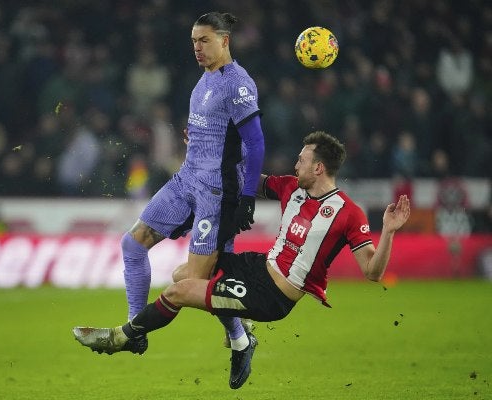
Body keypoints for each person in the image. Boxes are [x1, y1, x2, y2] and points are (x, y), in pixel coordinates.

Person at [73, 131, 411, 389]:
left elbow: (372, 272)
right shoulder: (290, 187)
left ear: (319, 167)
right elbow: (239, 177)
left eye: (302, 160)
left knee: (179, 292)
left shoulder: (348, 213)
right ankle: (240, 338)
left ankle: (121, 337)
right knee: (183, 274)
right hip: (258, 267)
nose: (295, 165)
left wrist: (390, 232)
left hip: (275, 295)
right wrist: (208, 150)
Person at [117, 11, 265, 362]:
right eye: (194, 41)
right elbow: (215, 129)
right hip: (187, 178)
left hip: (217, 190)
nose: (197, 48)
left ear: (224, 40)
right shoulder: (204, 79)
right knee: (132, 244)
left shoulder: (237, 84)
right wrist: (196, 138)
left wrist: (246, 199)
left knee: (194, 280)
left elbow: (256, 144)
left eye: (204, 41)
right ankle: (135, 325)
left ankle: (240, 337)